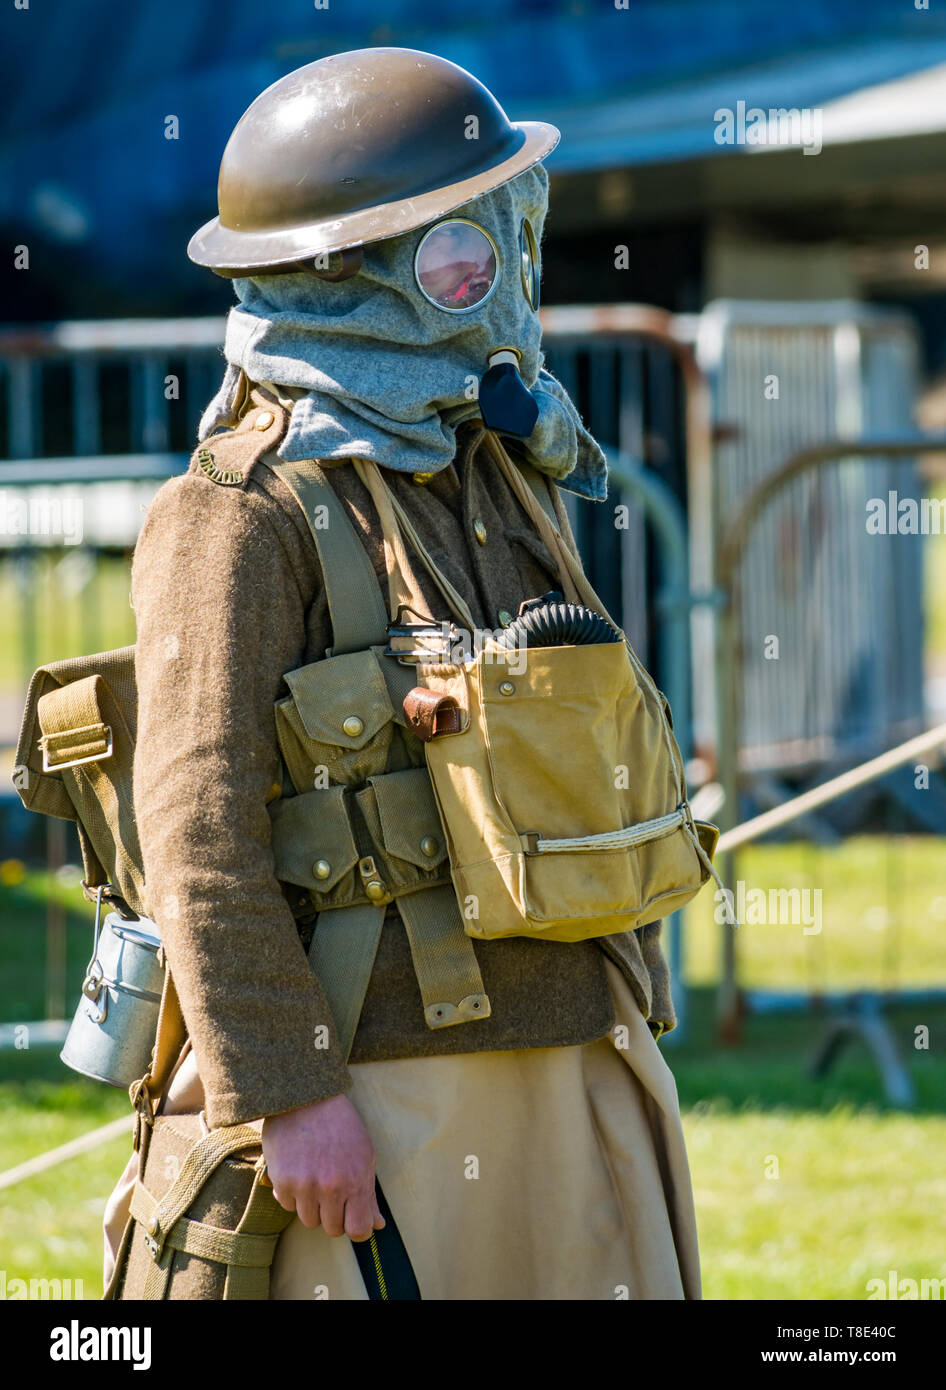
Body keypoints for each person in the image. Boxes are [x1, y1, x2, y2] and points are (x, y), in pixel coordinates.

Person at [103, 46, 702, 1300]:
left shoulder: (493, 458)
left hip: (579, 1049)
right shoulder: (236, 512)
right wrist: (291, 1096)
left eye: (490, 235)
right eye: (448, 251)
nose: (488, 275)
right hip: (380, 1096)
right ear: (350, 275)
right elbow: (194, 833)